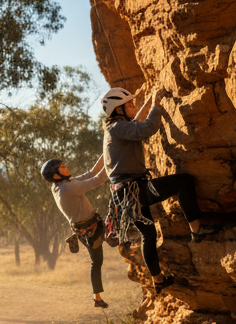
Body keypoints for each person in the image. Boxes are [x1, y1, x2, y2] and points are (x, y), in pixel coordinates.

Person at [102, 86, 222, 292]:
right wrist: (156, 107)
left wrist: (150, 105)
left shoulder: (115, 127)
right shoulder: (118, 127)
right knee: (184, 181)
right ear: (118, 109)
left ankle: (158, 280)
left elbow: (138, 125)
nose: (134, 105)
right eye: (129, 103)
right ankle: (197, 231)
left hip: (125, 195)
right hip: (135, 191)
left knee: (149, 234)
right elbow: (146, 129)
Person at [41, 156, 110, 308]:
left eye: (64, 165)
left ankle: (97, 298)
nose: (66, 167)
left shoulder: (59, 186)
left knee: (97, 260)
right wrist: (115, 157)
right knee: (97, 260)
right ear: (57, 176)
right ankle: (97, 298)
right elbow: (99, 179)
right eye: (62, 167)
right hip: (90, 229)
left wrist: (106, 153)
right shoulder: (68, 188)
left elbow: (90, 173)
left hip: (86, 228)